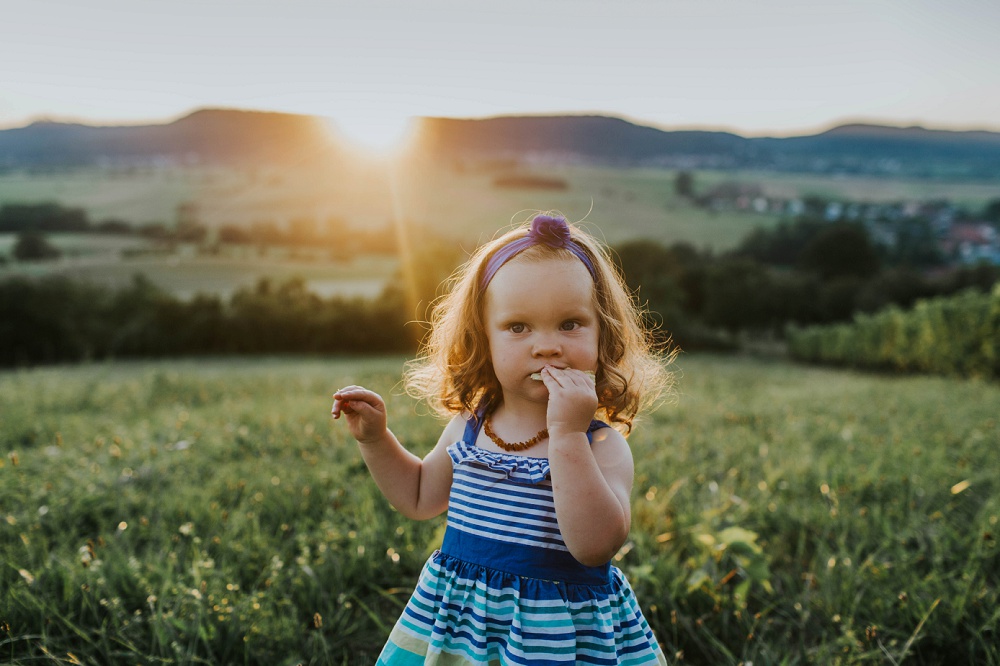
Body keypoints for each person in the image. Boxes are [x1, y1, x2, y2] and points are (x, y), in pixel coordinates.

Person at [331, 213, 672, 665]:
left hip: (557, 637)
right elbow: (418, 497)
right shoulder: (472, 426)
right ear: (483, 340)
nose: (546, 346)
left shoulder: (600, 445)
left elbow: (595, 547)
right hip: (464, 625)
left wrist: (567, 435)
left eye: (570, 324)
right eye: (518, 327)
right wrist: (376, 441)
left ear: (602, 333)